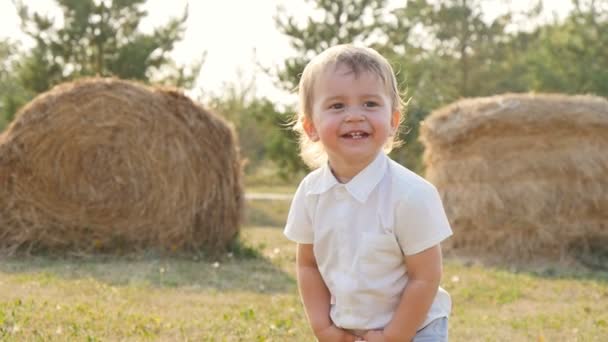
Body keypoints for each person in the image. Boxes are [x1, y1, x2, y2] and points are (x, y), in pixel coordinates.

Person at [283, 44, 453, 342]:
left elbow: (425, 277)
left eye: (370, 104)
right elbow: (308, 265)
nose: (354, 116)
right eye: (337, 106)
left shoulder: (411, 195)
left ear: (393, 122)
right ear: (311, 127)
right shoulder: (311, 193)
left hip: (415, 329)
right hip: (349, 328)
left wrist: (393, 337)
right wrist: (324, 329)